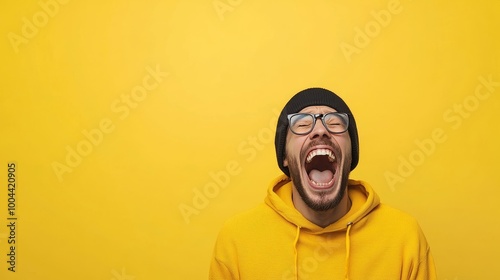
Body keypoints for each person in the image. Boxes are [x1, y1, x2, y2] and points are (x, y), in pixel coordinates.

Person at [209, 87, 437, 279]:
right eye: (301, 123)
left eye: (335, 123)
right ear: (285, 157)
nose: (320, 130)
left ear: (351, 154)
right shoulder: (236, 241)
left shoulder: (403, 237)